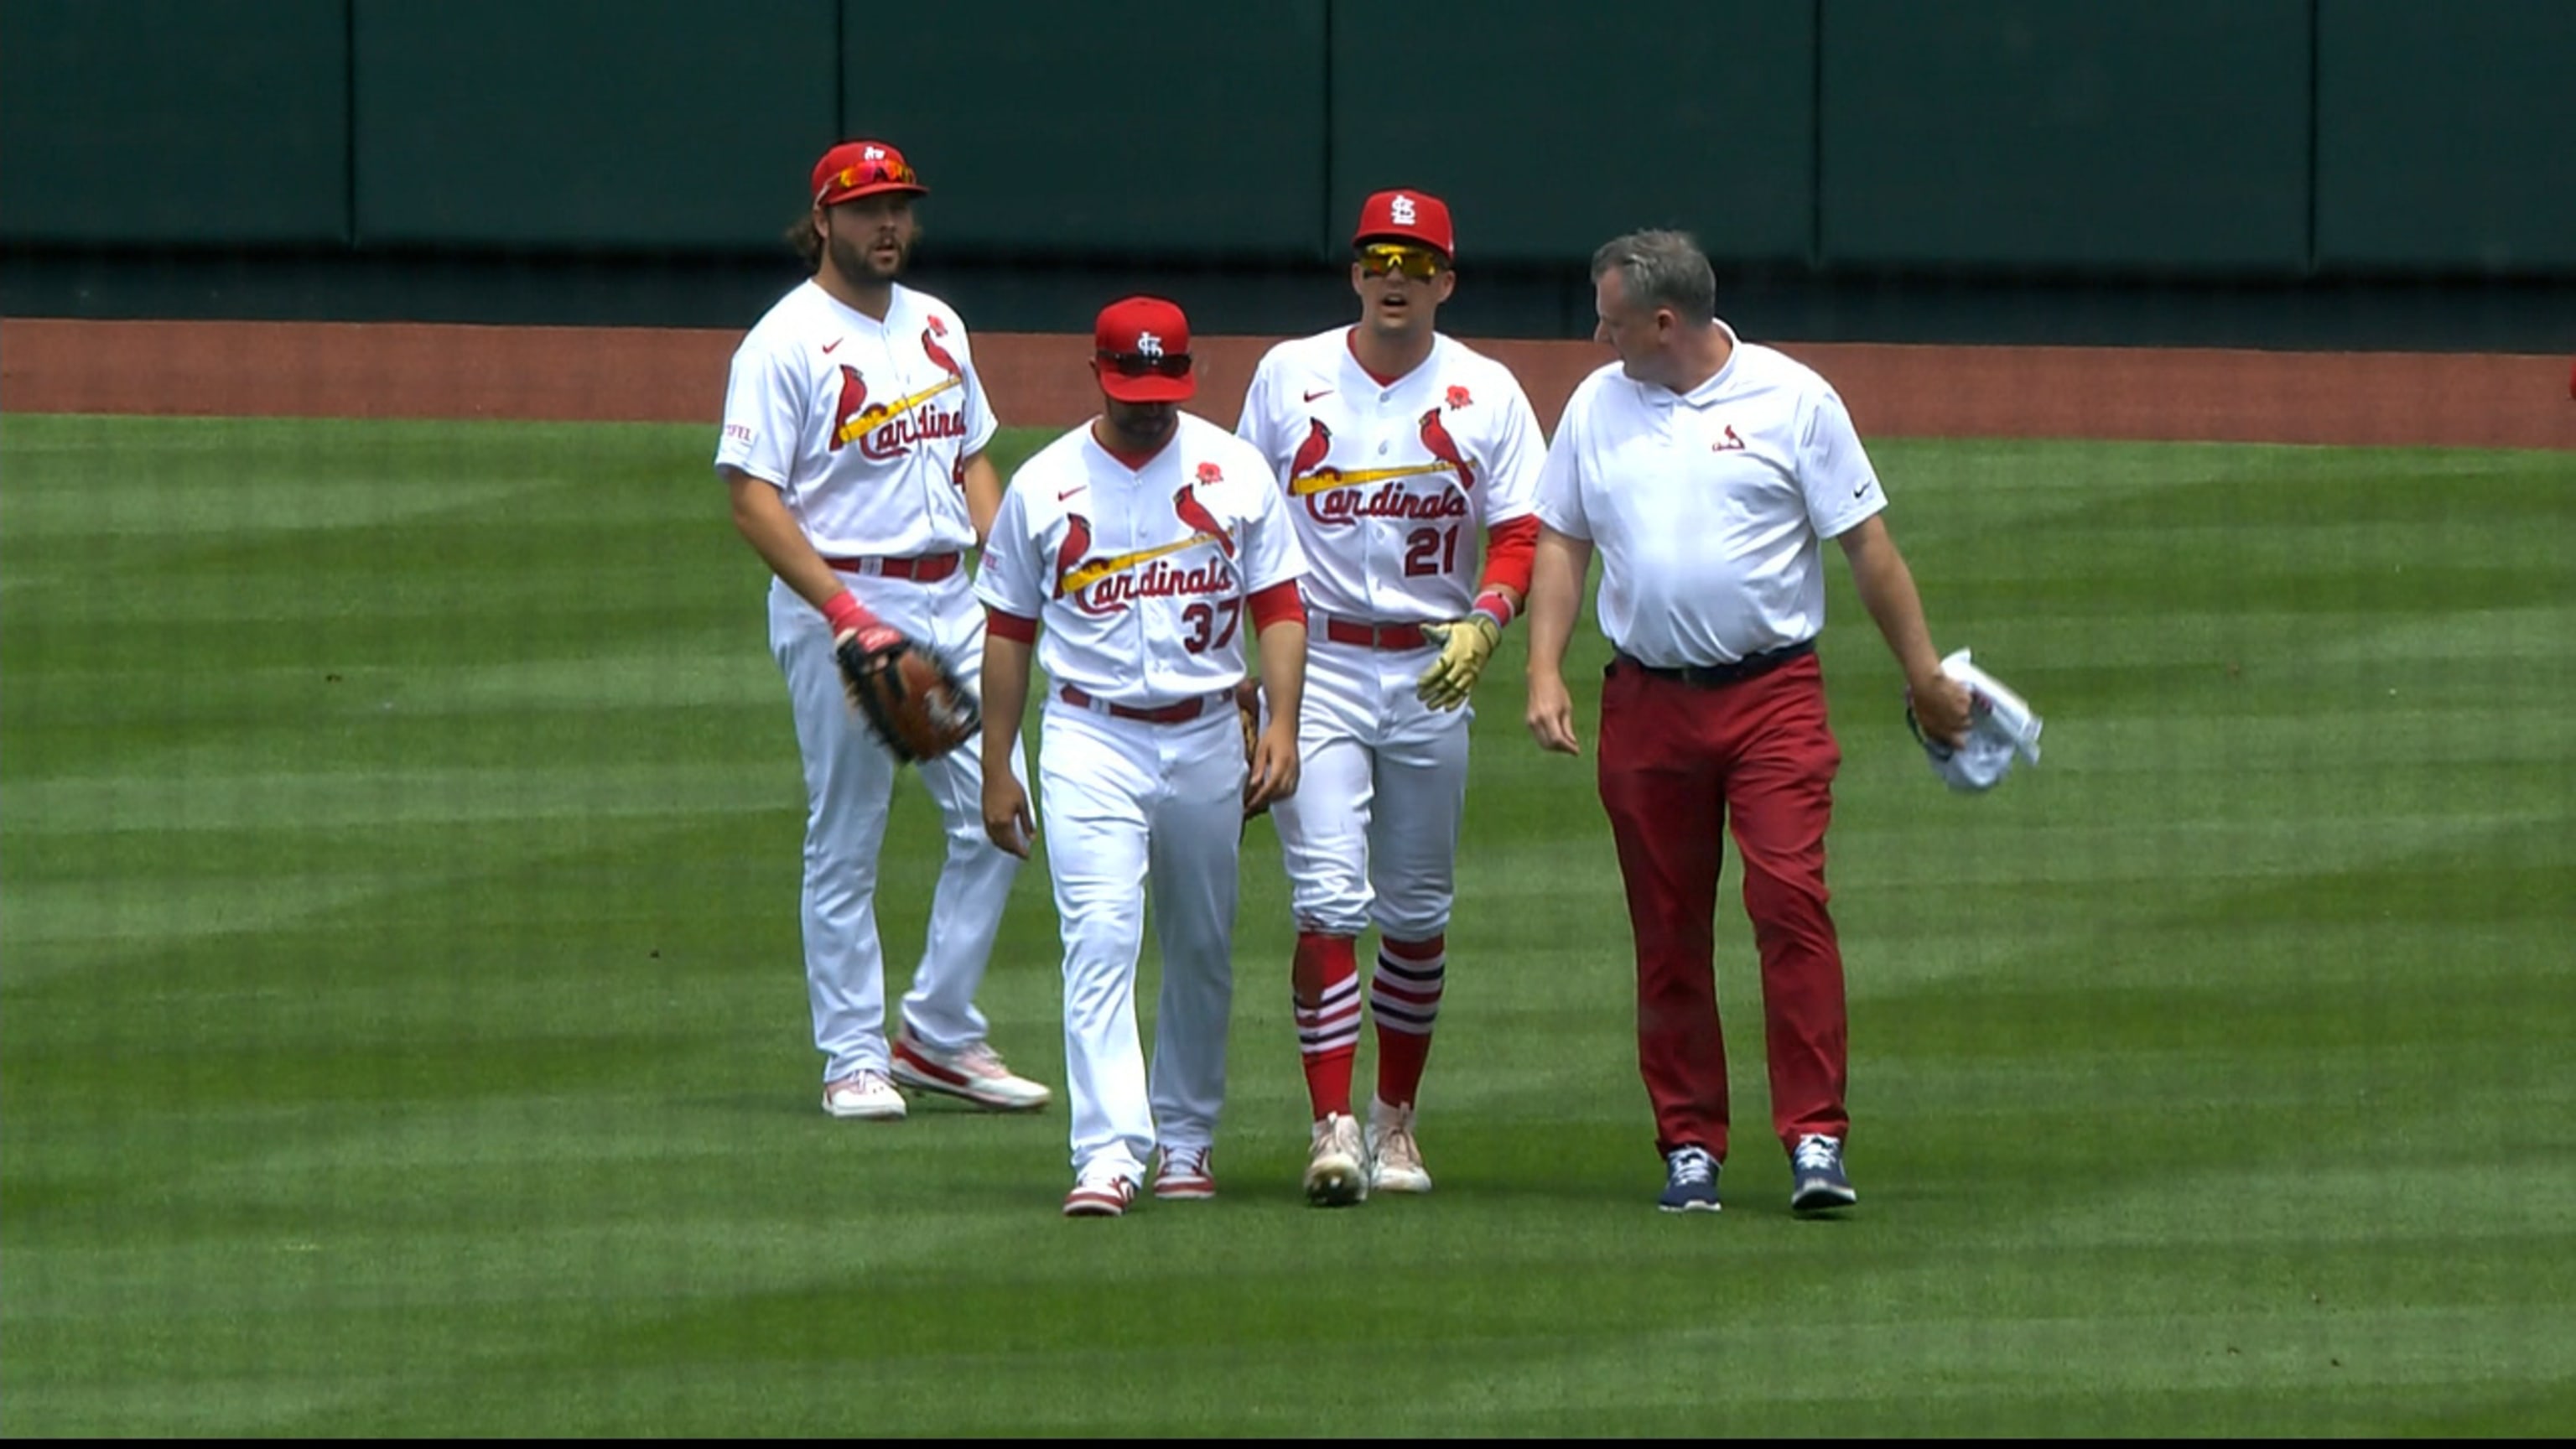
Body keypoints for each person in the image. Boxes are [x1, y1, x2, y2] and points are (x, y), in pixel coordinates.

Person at [1522, 230, 1973, 1214]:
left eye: (1611, 320)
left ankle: (1815, 1136)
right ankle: (1690, 1144)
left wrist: (1925, 675)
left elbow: (1867, 545)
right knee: (1668, 931)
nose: (1597, 337)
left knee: (1788, 905)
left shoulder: (1793, 398)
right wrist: (1544, 668)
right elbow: (1561, 539)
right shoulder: (1596, 407)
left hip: (1772, 697)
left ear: (1665, 322)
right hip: (1644, 702)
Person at [715, 138, 1051, 1121]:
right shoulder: (782, 343)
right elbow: (752, 499)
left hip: (953, 595)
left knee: (1005, 811)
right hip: (844, 606)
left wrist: (1012, 566)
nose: (888, 224)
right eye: (866, 209)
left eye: (899, 206)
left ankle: (939, 1032)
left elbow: (972, 460)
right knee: (848, 836)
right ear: (822, 221)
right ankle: (853, 1056)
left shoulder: (938, 324)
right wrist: (845, 613)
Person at [1234, 190, 1545, 1206]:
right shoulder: (1289, 376)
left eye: (1418, 264)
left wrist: (1490, 616)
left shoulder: (1487, 391)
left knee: (1416, 912)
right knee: (1328, 896)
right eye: (1381, 259)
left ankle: (1396, 1122)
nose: (1397, 279)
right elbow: (1244, 523)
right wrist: (1251, 677)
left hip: (1429, 666)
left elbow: (1522, 528)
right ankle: (1331, 1125)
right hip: (1314, 664)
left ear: (1447, 281)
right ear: (1356, 272)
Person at [976, 296, 1311, 1218]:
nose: (1150, 406)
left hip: (1208, 731)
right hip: (1090, 735)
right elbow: (1007, 630)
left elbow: (1280, 605)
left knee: (1200, 946)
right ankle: (1109, 1151)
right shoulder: (1046, 485)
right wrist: (995, 762)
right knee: (1099, 940)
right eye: (1132, 389)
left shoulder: (1232, 470)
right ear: (1097, 374)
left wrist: (1282, 721)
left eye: (1165, 389)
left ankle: (1189, 1139)